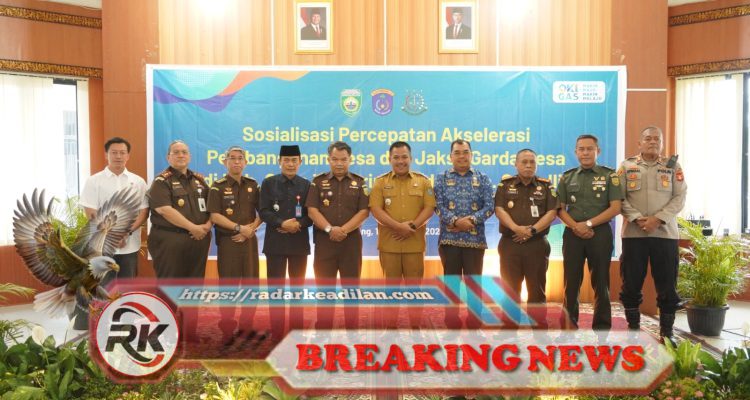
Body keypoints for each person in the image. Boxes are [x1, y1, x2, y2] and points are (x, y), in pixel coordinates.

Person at [618, 126, 687, 340]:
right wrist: (638, 218)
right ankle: (633, 329)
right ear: (639, 143)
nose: (653, 142)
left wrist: (657, 219)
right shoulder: (626, 166)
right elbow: (619, 197)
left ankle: (667, 332)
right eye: (648, 138)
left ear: (662, 144)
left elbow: (680, 197)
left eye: (657, 139)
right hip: (634, 234)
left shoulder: (672, 166)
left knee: (667, 285)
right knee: (631, 284)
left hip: (665, 234)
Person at [75, 136, 149, 330]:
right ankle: (102, 324)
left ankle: (124, 323)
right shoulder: (94, 181)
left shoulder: (138, 181)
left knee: (127, 285)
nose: (118, 156)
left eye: (122, 153)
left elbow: (143, 212)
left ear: (128, 156)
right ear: (106, 154)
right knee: (102, 285)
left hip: (130, 244)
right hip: (102, 246)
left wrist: (127, 232)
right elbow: (90, 212)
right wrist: (111, 235)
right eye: (114, 152)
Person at [147, 140, 212, 341]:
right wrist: (193, 227)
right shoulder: (161, 181)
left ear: (189, 156)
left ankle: (189, 332)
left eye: (184, 152)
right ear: (168, 157)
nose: (181, 155)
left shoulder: (199, 181)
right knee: (169, 286)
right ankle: (165, 334)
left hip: (198, 240)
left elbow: (213, 207)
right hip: (169, 240)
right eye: (176, 152)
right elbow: (164, 210)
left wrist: (207, 226)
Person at [557, 134, 623, 330]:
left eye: (589, 149)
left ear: (598, 151)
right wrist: (576, 226)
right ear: (576, 152)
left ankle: (602, 328)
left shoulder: (610, 176)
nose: (585, 153)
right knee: (571, 282)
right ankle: (568, 326)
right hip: (573, 234)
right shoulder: (567, 177)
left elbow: (615, 207)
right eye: (581, 149)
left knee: (601, 282)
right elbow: (560, 209)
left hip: (599, 234)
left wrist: (588, 224)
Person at [370, 141, 435, 327]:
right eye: (396, 157)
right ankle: (390, 327)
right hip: (389, 245)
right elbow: (376, 209)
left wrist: (411, 226)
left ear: (411, 158)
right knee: (390, 290)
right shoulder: (380, 182)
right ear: (389, 159)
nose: (400, 161)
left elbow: (429, 208)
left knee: (415, 290)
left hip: (414, 245)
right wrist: (398, 227)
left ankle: (416, 327)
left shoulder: (423, 182)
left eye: (404, 157)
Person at [306, 141, 369, 330]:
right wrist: (330, 230)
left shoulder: (360, 182)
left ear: (350, 159)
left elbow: (364, 212)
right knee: (325, 288)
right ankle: (324, 327)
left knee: (351, 288)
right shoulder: (317, 182)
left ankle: (352, 327)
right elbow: (312, 210)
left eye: (343, 159)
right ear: (329, 160)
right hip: (325, 243)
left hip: (351, 243)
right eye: (335, 159)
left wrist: (343, 230)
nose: (339, 163)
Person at [495, 149, 559, 326]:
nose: (528, 165)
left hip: (536, 244)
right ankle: (509, 326)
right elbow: (499, 210)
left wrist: (531, 231)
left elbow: (552, 213)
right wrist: (516, 228)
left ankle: (538, 326)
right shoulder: (504, 185)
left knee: (537, 289)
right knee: (509, 288)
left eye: (532, 162)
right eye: (524, 162)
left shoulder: (546, 186)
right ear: (516, 164)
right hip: (510, 244)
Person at [434, 139, 493, 329]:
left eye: (465, 152)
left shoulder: (482, 178)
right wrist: (455, 221)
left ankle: (474, 322)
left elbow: (489, 206)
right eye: (457, 152)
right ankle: (451, 322)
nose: (461, 156)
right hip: (449, 240)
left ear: (471, 154)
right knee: (451, 285)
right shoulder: (441, 178)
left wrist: (471, 221)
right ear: (450, 156)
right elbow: (437, 206)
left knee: (474, 285)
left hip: (475, 240)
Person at [207, 146, 262, 343]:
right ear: (225, 162)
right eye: (232, 158)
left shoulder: (253, 185)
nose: (236, 161)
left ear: (245, 162)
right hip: (228, 242)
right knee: (228, 287)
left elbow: (262, 212)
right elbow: (214, 216)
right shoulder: (217, 187)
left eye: (240, 158)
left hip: (249, 242)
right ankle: (227, 330)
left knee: (251, 285)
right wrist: (239, 228)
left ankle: (247, 327)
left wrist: (250, 230)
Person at [259, 145, 312, 338]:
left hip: (298, 243)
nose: (290, 164)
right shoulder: (268, 183)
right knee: (276, 290)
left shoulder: (306, 185)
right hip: (275, 243)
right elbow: (263, 211)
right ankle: (277, 332)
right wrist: (282, 223)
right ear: (279, 162)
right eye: (286, 160)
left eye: (294, 160)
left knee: (298, 290)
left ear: (300, 162)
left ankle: (296, 331)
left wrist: (297, 224)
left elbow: (311, 214)